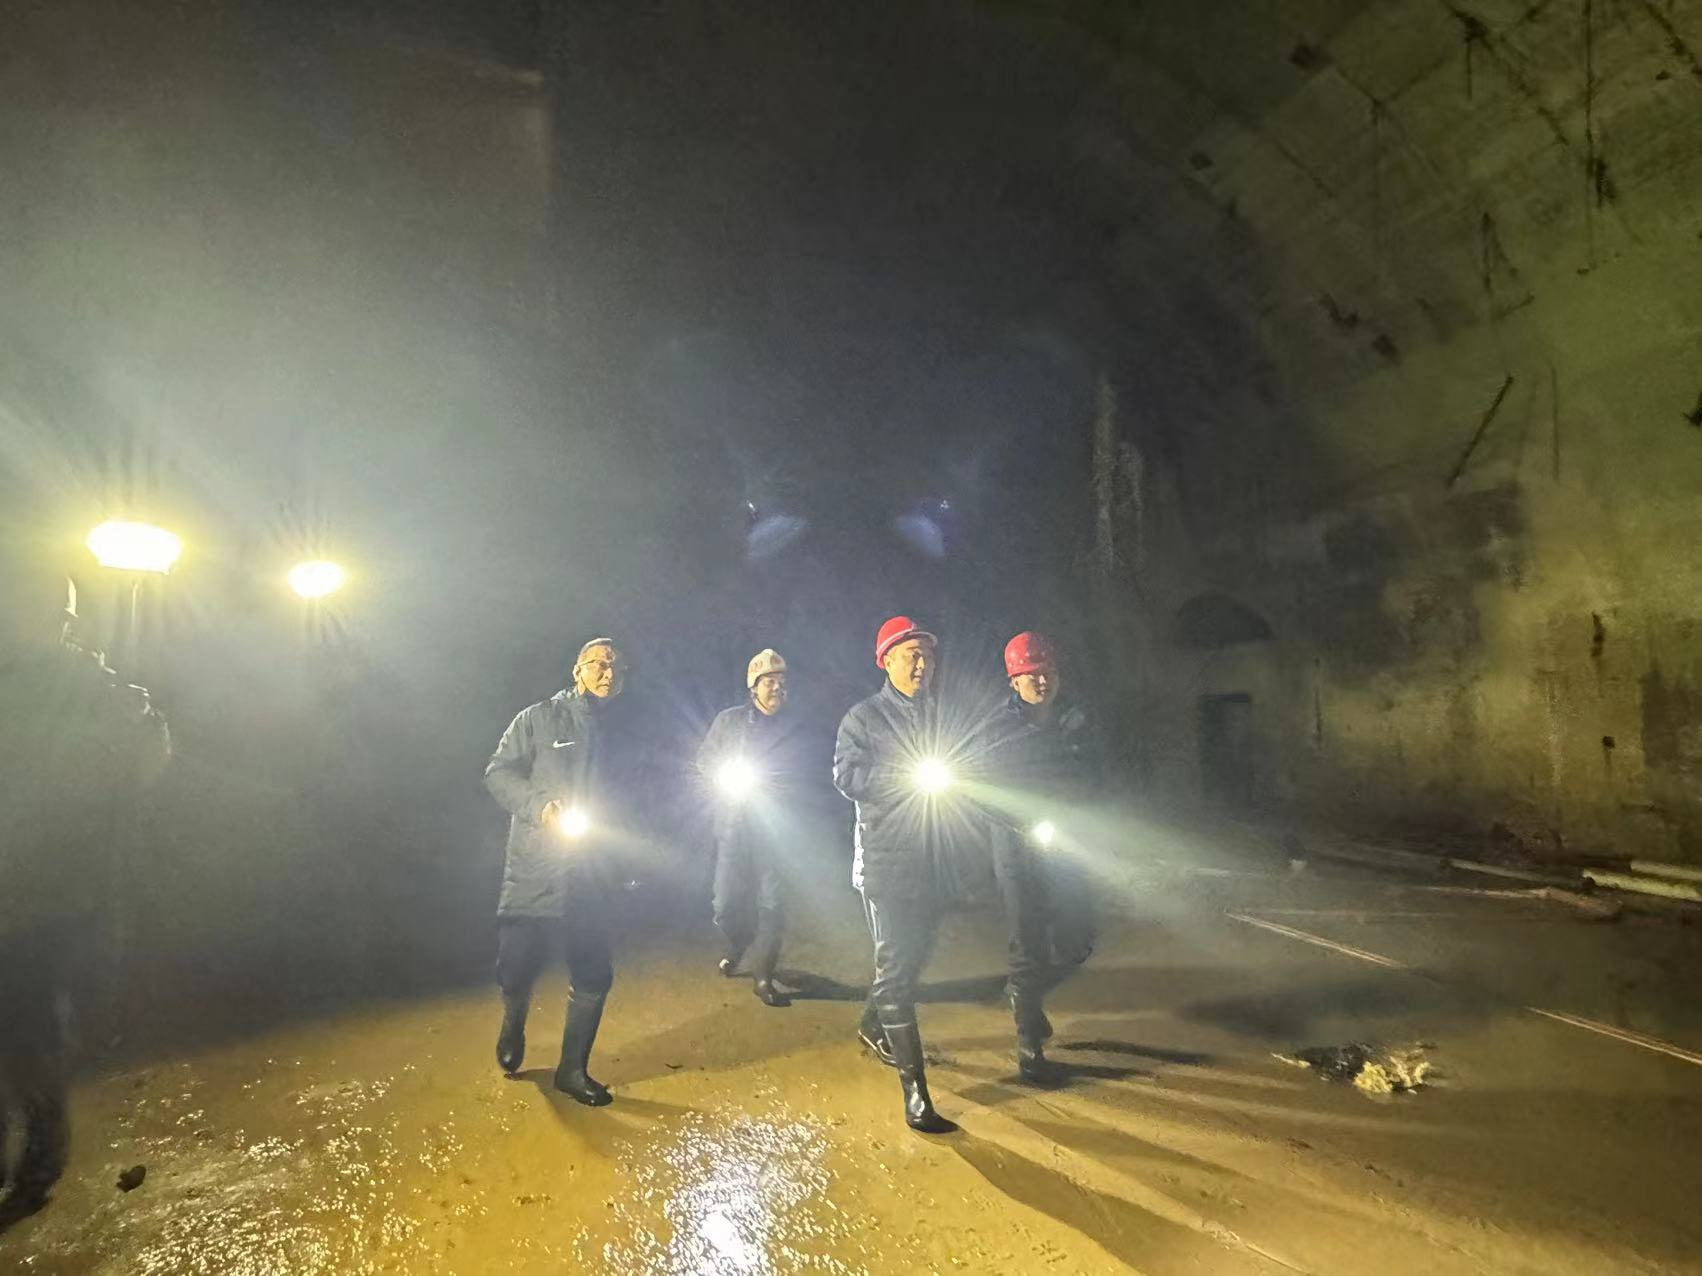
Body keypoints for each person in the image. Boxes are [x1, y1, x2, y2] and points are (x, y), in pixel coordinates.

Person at [0, 552, 170, 1218]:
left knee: (26, 1027)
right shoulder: (83, 682)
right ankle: (33, 1158)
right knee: (25, 1028)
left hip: (42, 894)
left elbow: (146, 751)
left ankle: (38, 1161)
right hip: (40, 888)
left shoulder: (87, 684)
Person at [833, 615, 982, 1135]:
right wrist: (906, 776)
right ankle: (915, 1090)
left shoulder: (941, 715)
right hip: (886, 862)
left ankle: (872, 1023)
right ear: (886, 661)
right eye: (912, 655)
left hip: (933, 858)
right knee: (897, 971)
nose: (923, 664)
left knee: (914, 958)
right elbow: (846, 775)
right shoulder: (863, 717)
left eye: (928, 656)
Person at [482, 637, 630, 1106]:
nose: (609, 673)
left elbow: (638, 790)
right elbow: (498, 772)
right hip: (536, 866)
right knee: (516, 967)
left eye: (617, 667)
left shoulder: (625, 730)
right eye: (599, 664)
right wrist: (540, 807)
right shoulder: (538, 719)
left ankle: (571, 1070)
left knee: (594, 973)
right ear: (577, 670)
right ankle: (513, 1025)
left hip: (592, 872)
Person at [987, 631, 1105, 1075]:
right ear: (1014, 681)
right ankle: (1028, 1043)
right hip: (1015, 842)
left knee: (1077, 937)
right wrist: (1019, 820)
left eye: (1047, 673)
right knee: (1028, 937)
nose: (1040, 681)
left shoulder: (1076, 721)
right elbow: (982, 788)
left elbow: (1099, 774)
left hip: (1066, 838)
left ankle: (1026, 997)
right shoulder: (998, 728)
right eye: (1030, 674)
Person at [696, 648, 803, 1007]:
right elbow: (705, 759)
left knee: (773, 903)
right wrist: (722, 776)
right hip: (734, 826)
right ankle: (740, 940)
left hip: (778, 830)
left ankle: (763, 976)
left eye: (782, 681)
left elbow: (813, 769)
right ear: (753, 686)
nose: (777, 687)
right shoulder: (729, 721)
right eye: (769, 681)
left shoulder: (796, 725)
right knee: (725, 904)